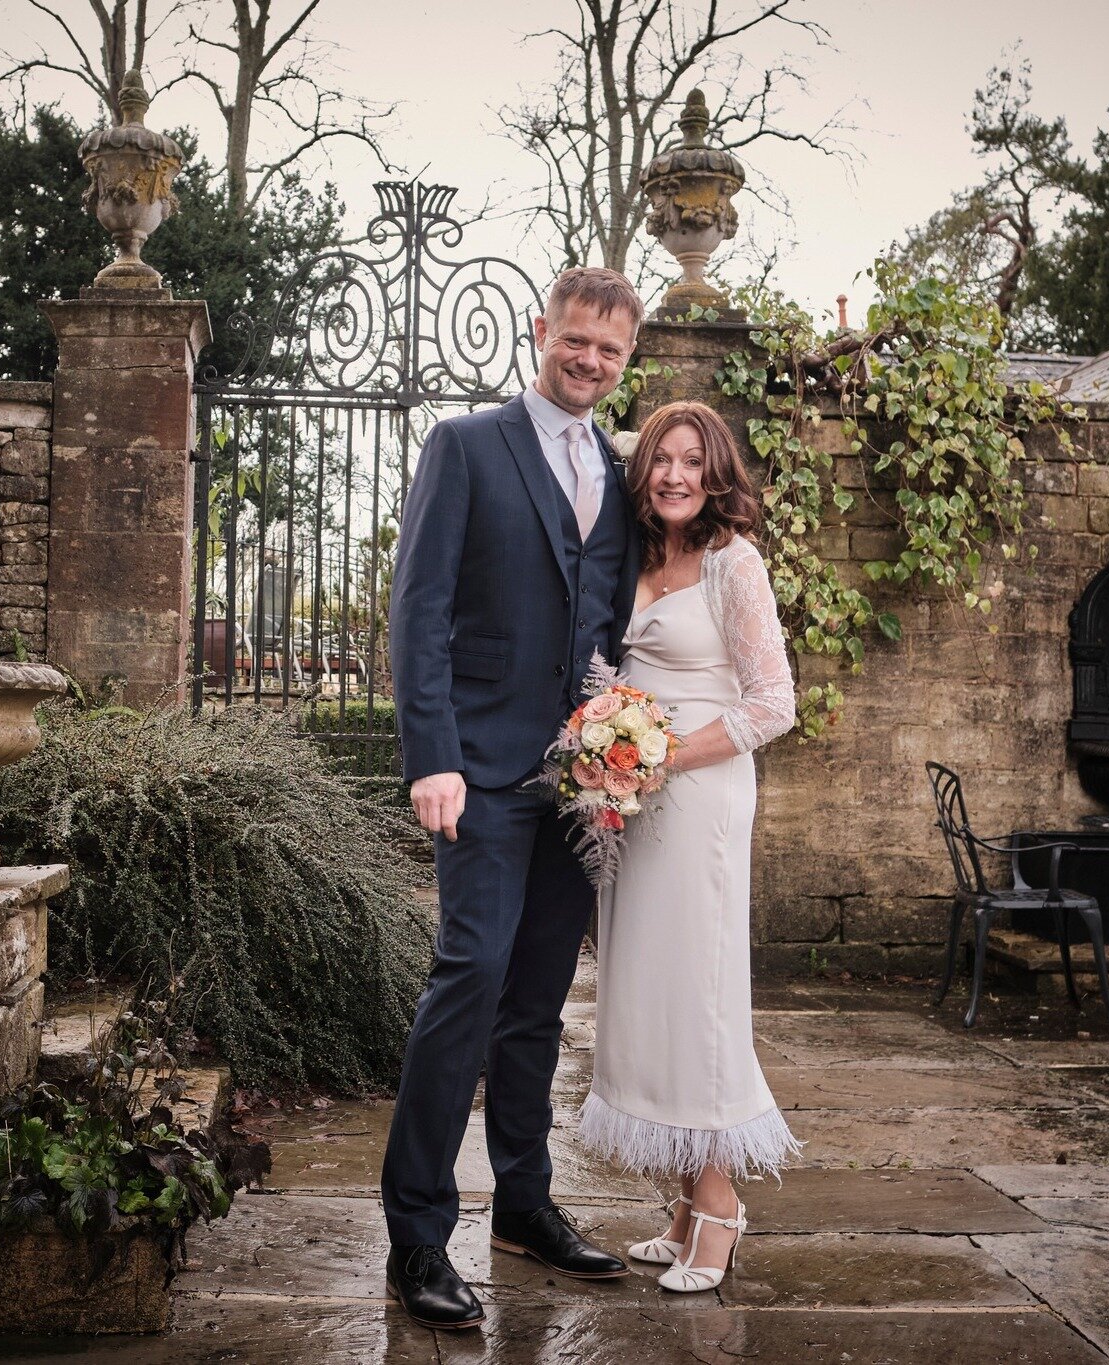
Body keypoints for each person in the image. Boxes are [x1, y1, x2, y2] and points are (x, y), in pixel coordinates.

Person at [383, 267, 644, 1331]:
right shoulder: (468, 445)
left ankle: (525, 1206)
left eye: (610, 352)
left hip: (581, 784)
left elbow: (612, 625)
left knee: (540, 1001)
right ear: (544, 334)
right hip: (479, 772)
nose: (589, 362)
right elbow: (420, 608)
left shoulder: (621, 474)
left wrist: (623, 750)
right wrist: (429, 755)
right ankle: (417, 1233)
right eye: (576, 341)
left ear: (627, 360)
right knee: (470, 978)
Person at [578, 400, 801, 1293]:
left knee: (698, 997)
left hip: (699, 799)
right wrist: (612, 759)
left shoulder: (731, 564)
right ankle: (678, 1203)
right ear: (644, 475)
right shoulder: (634, 557)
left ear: (717, 475)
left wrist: (655, 756)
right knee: (647, 993)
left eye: (691, 460)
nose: (673, 474)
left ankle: (720, 1204)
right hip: (632, 805)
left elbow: (770, 703)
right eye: (660, 459)